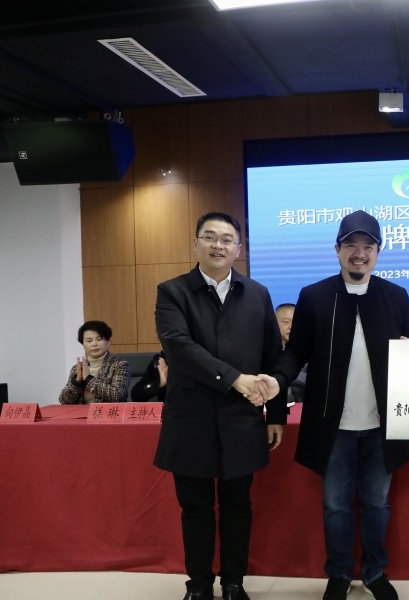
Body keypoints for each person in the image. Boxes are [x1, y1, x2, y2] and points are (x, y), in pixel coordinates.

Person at [272, 210, 409, 600]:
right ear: (337, 249)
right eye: (351, 244)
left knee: (376, 503)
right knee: (335, 505)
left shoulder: (395, 296)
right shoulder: (314, 296)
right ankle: (338, 573)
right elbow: (295, 352)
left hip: (382, 426)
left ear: (378, 252)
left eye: (368, 245)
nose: (359, 253)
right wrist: (276, 380)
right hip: (332, 426)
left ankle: (374, 572)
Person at [153, 212, 286, 600]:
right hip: (190, 419)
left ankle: (233, 582)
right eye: (209, 237)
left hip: (241, 419)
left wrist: (276, 415)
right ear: (195, 244)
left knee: (237, 505)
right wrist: (234, 378)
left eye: (227, 239)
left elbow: (272, 356)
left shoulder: (257, 293)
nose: (218, 245)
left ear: (238, 249)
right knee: (194, 507)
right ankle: (198, 585)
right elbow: (179, 347)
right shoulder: (173, 292)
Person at [59, 320, 130, 404]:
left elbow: (118, 395)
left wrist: (88, 379)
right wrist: (76, 382)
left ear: (109, 341)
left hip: (107, 412)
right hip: (82, 411)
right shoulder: (77, 368)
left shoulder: (120, 365)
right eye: (89, 341)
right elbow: (64, 401)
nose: (94, 344)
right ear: (83, 344)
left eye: (99, 339)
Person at [275, 303, 306, 406]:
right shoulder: (266, 355)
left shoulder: (311, 354)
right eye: (286, 322)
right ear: (274, 324)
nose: (291, 326)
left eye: (296, 322)